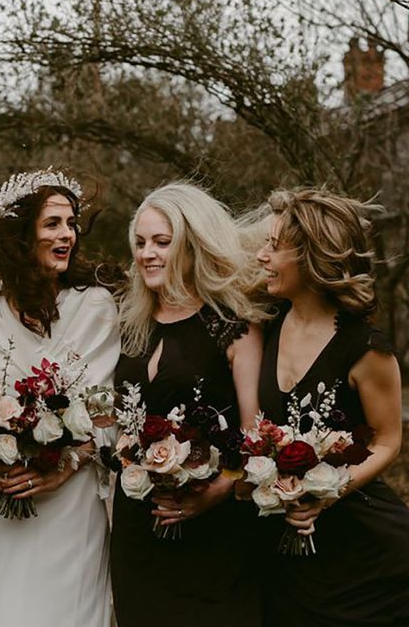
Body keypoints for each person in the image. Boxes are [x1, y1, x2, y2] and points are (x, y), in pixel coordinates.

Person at [0, 168, 120, 627]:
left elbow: (107, 416)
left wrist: (65, 466)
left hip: (71, 506)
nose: (66, 234)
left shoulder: (95, 307)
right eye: (52, 223)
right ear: (20, 233)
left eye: (71, 223)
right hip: (3, 500)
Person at [111, 182, 264, 627]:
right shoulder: (131, 326)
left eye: (162, 242)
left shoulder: (232, 327)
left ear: (192, 245)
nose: (147, 254)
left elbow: (256, 434)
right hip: (138, 528)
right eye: (140, 243)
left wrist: (218, 491)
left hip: (213, 530)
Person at [255, 187, 409, 626]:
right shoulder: (265, 325)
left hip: (367, 558)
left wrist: (324, 494)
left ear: (310, 258)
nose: (262, 256)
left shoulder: (365, 347)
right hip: (287, 557)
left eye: (274, 246)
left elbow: (388, 441)